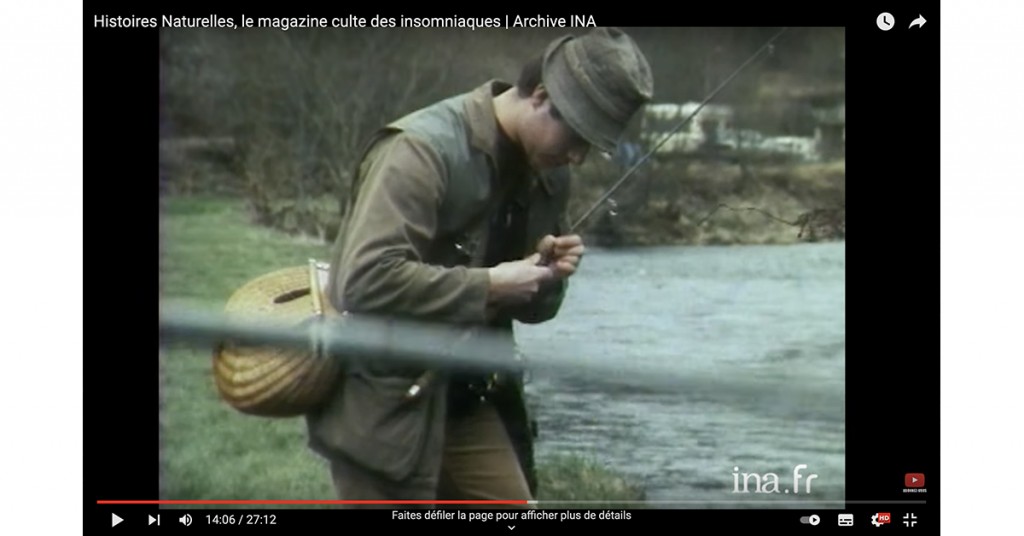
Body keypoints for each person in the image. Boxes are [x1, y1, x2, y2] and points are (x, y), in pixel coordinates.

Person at [304, 27, 654, 506]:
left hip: (471, 400)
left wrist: (548, 278)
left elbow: (533, 310)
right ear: (540, 96)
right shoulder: (418, 151)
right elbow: (361, 281)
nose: (578, 156)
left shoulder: (551, 174)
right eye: (576, 136)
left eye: (590, 146)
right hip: (382, 402)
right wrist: (490, 285)